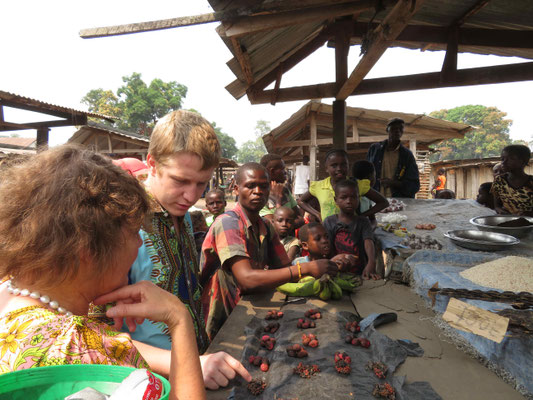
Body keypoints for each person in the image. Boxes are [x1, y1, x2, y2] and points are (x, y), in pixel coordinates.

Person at [0, 146, 205, 400]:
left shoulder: (7, 294)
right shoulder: (84, 350)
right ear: (87, 248)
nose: (140, 243)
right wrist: (178, 318)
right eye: (133, 233)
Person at [126, 110, 251, 390]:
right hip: (149, 385)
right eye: (180, 181)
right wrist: (188, 363)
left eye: (201, 184)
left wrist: (199, 360)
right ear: (152, 164)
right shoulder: (121, 223)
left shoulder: (185, 216)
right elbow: (93, 334)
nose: (192, 196)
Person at [199, 162, 339, 339]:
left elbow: (284, 268)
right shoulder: (228, 223)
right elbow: (246, 279)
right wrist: (304, 269)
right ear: (236, 189)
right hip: (222, 316)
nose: (258, 191)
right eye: (250, 185)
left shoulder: (265, 225)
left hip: (248, 308)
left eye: (263, 186)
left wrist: (324, 263)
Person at [298, 149, 388, 222]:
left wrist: (362, 216)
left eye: (343, 165)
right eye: (334, 165)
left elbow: (383, 202)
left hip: (352, 233)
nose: (339, 169)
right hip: (329, 233)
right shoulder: (319, 186)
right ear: (326, 168)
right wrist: (317, 214)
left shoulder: (357, 185)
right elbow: (301, 201)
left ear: (348, 166)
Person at [323, 179, 379, 280]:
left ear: (359, 199)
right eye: (344, 198)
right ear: (336, 200)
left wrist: (371, 262)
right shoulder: (329, 222)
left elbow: (368, 241)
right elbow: (328, 247)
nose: (349, 201)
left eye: (353, 197)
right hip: (336, 271)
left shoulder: (363, 222)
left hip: (360, 272)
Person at [366, 118, 420, 198]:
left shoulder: (407, 155)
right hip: (376, 199)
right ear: (387, 130)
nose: (397, 131)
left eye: (400, 128)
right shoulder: (374, 149)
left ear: (402, 132)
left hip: (398, 200)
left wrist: (394, 183)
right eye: (394, 128)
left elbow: (414, 185)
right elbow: (365, 174)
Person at [259, 153, 304, 228]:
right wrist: (278, 200)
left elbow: (299, 217)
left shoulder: (285, 190)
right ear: (272, 171)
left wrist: (289, 224)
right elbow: (275, 227)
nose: (285, 172)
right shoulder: (261, 195)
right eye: (282, 169)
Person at [491, 144, 533, 216]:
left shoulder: (531, 182)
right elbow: (497, 206)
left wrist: (529, 214)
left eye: (510, 159)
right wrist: (500, 210)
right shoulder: (499, 181)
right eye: (502, 159)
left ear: (523, 161)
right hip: (507, 221)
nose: (504, 162)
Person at [351, 160, 387, 230]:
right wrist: (362, 216)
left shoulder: (368, 197)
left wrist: (370, 229)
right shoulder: (359, 191)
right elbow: (384, 203)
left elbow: (372, 219)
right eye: (374, 176)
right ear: (370, 177)